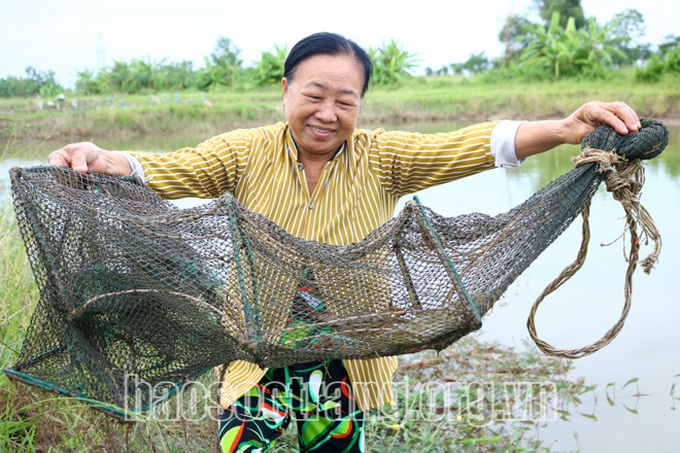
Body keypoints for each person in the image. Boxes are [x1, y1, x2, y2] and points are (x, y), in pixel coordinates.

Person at [49, 32, 642, 452]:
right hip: (257, 348)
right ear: (286, 90)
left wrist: (565, 130)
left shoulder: (383, 157)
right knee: (242, 447)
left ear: (360, 103)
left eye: (345, 99)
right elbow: (164, 169)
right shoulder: (243, 151)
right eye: (314, 93)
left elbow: (473, 144)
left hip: (344, 352)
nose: (328, 112)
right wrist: (106, 159)